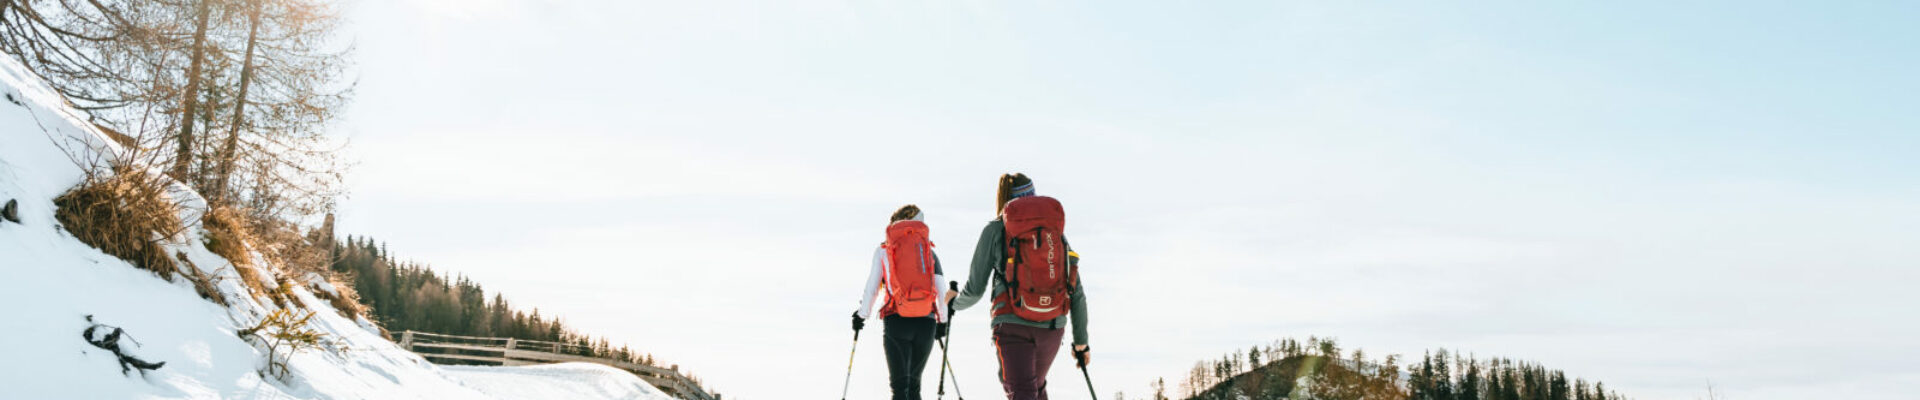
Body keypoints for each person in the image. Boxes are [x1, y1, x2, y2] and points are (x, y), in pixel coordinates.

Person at [950, 173, 1090, 400]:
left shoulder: (995, 230)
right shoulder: (1054, 234)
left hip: (1012, 324)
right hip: (1052, 326)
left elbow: (975, 290)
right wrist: (1082, 343)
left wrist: (952, 303)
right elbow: (1076, 291)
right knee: (1035, 389)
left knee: (1022, 392)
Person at [853, 204, 960, 400]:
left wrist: (861, 315)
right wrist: (942, 322)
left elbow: (872, 287)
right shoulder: (928, 250)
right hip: (926, 322)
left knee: (899, 387)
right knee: (914, 385)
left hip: (897, 320)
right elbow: (941, 288)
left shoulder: (884, 250)